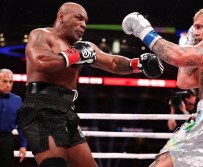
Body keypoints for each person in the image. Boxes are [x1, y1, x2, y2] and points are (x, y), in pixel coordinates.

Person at [18, 2, 163, 167]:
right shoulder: (42, 35)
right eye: (79, 18)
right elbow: (40, 61)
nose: (83, 25)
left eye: (86, 21)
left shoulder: (84, 47)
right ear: (61, 17)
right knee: (54, 164)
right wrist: (74, 55)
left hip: (66, 111)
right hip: (41, 107)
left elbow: (113, 62)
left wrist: (137, 64)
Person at [122, 6, 203, 167]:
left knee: (163, 163)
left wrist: (144, 31)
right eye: (194, 27)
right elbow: (184, 82)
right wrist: (190, 41)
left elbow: (177, 57)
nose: (195, 31)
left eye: (199, 27)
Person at [0, 68, 27, 167]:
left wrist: (23, 145)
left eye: (10, 82)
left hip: (7, 140)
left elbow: (21, 124)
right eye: (4, 81)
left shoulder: (17, 100)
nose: (8, 85)